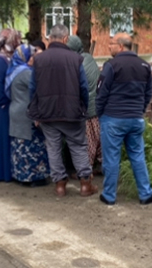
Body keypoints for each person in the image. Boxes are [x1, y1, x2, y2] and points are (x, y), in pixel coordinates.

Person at [28, 24, 97, 197]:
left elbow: (32, 89)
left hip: (47, 112)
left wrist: (35, 111)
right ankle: (85, 184)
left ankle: (60, 185)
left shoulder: (39, 60)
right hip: (72, 112)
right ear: (66, 38)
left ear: (50, 38)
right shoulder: (75, 59)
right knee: (79, 146)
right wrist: (83, 108)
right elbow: (83, 87)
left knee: (53, 148)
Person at [96, 33, 152, 206]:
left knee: (111, 158)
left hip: (113, 118)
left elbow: (101, 93)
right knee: (137, 156)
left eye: (111, 43)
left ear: (121, 46)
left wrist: (100, 114)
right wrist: (140, 110)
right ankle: (145, 194)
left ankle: (109, 195)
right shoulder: (145, 66)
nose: (109, 46)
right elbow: (148, 93)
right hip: (135, 119)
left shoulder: (111, 65)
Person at [7, 45, 49, 186]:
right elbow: (40, 87)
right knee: (31, 144)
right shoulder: (26, 73)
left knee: (19, 145)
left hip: (15, 110)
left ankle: (20, 175)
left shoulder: (13, 70)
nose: (33, 59)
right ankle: (32, 177)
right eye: (31, 56)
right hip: (26, 112)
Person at [0, 29, 22, 181]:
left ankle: (4, 172)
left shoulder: (5, 57)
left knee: (3, 139)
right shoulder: (0, 60)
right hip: (0, 105)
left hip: (2, 104)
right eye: (17, 40)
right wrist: (3, 102)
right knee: (0, 140)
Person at [67, 35, 102, 174]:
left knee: (88, 142)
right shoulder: (89, 58)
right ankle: (100, 166)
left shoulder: (78, 63)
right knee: (98, 139)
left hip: (88, 109)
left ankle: (85, 171)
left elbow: (78, 87)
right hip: (97, 106)